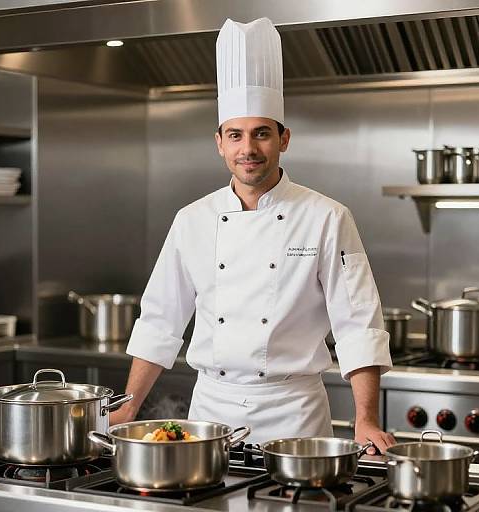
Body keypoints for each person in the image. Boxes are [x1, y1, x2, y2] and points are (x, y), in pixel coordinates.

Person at [111, 17, 395, 452]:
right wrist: (128, 408)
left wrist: (366, 419)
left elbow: (357, 325)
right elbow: (160, 322)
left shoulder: (327, 217)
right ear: (219, 143)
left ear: (284, 139)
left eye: (262, 133)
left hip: (295, 415)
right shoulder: (192, 219)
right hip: (210, 415)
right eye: (236, 135)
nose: (248, 149)